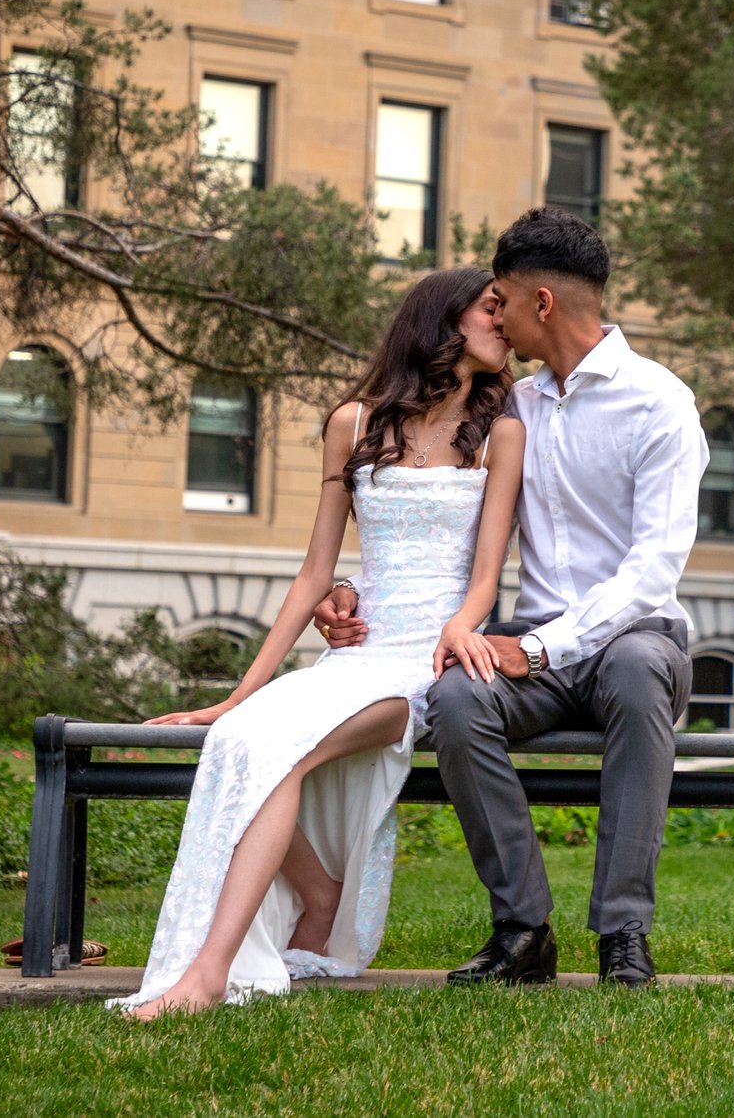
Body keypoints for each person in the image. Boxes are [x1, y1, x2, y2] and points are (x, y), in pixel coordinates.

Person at [113, 267, 522, 1018]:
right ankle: (316, 891)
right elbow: (314, 572)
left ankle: (206, 976)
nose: (506, 322)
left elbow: (487, 578)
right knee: (240, 734)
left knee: (283, 753)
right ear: (444, 317)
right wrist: (240, 693)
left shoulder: (502, 430)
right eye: (491, 308)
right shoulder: (353, 421)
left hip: (428, 666)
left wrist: (459, 628)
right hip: (354, 657)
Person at [315, 207, 706, 989]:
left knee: (631, 669)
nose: (494, 314)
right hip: (535, 647)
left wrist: (535, 648)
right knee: (457, 699)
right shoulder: (514, 408)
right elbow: (442, 519)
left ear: (543, 304)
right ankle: (523, 931)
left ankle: (623, 933)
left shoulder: (660, 403)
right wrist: (355, 587)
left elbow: (652, 570)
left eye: (501, 299)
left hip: (636, 640)